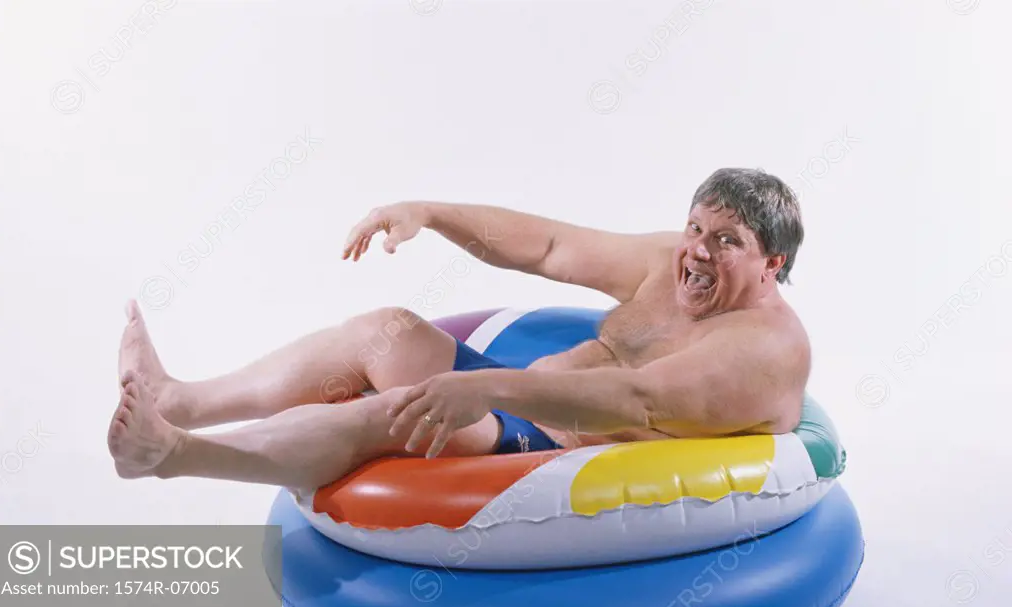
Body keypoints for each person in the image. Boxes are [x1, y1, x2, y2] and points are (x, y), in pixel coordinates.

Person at [107, 167, 809, 491]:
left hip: (559, 455)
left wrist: (481, 393)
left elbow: (636, 402)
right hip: (522, 404)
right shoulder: (672, 261)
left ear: (771, 264)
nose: (696, 250)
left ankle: (169, 455)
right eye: (695, 227)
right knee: (385, 329)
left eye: (726, 241)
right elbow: (549, 248)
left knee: (395, 413)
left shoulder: (763, 350)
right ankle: (182, 401)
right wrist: (429, 212)